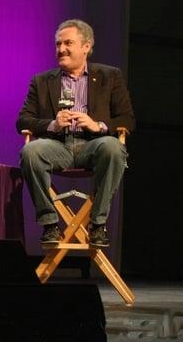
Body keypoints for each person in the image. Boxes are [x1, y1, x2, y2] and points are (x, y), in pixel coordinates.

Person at [16, 19, 135, 247]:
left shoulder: (110, 76)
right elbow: (23, 119)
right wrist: (53, 124)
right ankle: (50, 224)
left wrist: (96, 124)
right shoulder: (42, 81)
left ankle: (97, 225)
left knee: (113, 147)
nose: (61, 49)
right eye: (58, 44)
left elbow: (127, 119)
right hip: (57, 146)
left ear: (86, 46)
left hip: (94, 145)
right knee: (30, 151)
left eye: (68, 43)